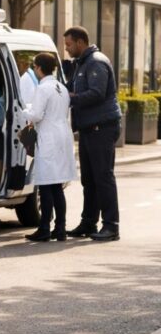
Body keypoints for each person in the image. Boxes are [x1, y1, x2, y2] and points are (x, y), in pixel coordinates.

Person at [63, 26, 122, 241]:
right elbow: (71, 87)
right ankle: (89, 223)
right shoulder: (81, 64)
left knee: (103, 177)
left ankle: (111, 226)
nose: (67, 49)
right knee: (89, 179)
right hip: (90, 128)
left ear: (80, 42)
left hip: (102, 127)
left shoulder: (96, 61)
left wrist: (70, 97)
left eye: (69, 44)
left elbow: (96, 94)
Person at [23, 52, 77, 242]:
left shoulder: (43, 88)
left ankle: (45, 227)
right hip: (62, 135)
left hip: (48, 137)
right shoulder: (60, 86)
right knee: (57, 186)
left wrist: (23, 111)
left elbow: (36, 115)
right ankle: (60, 228)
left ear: (38, 68)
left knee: (46, 184)